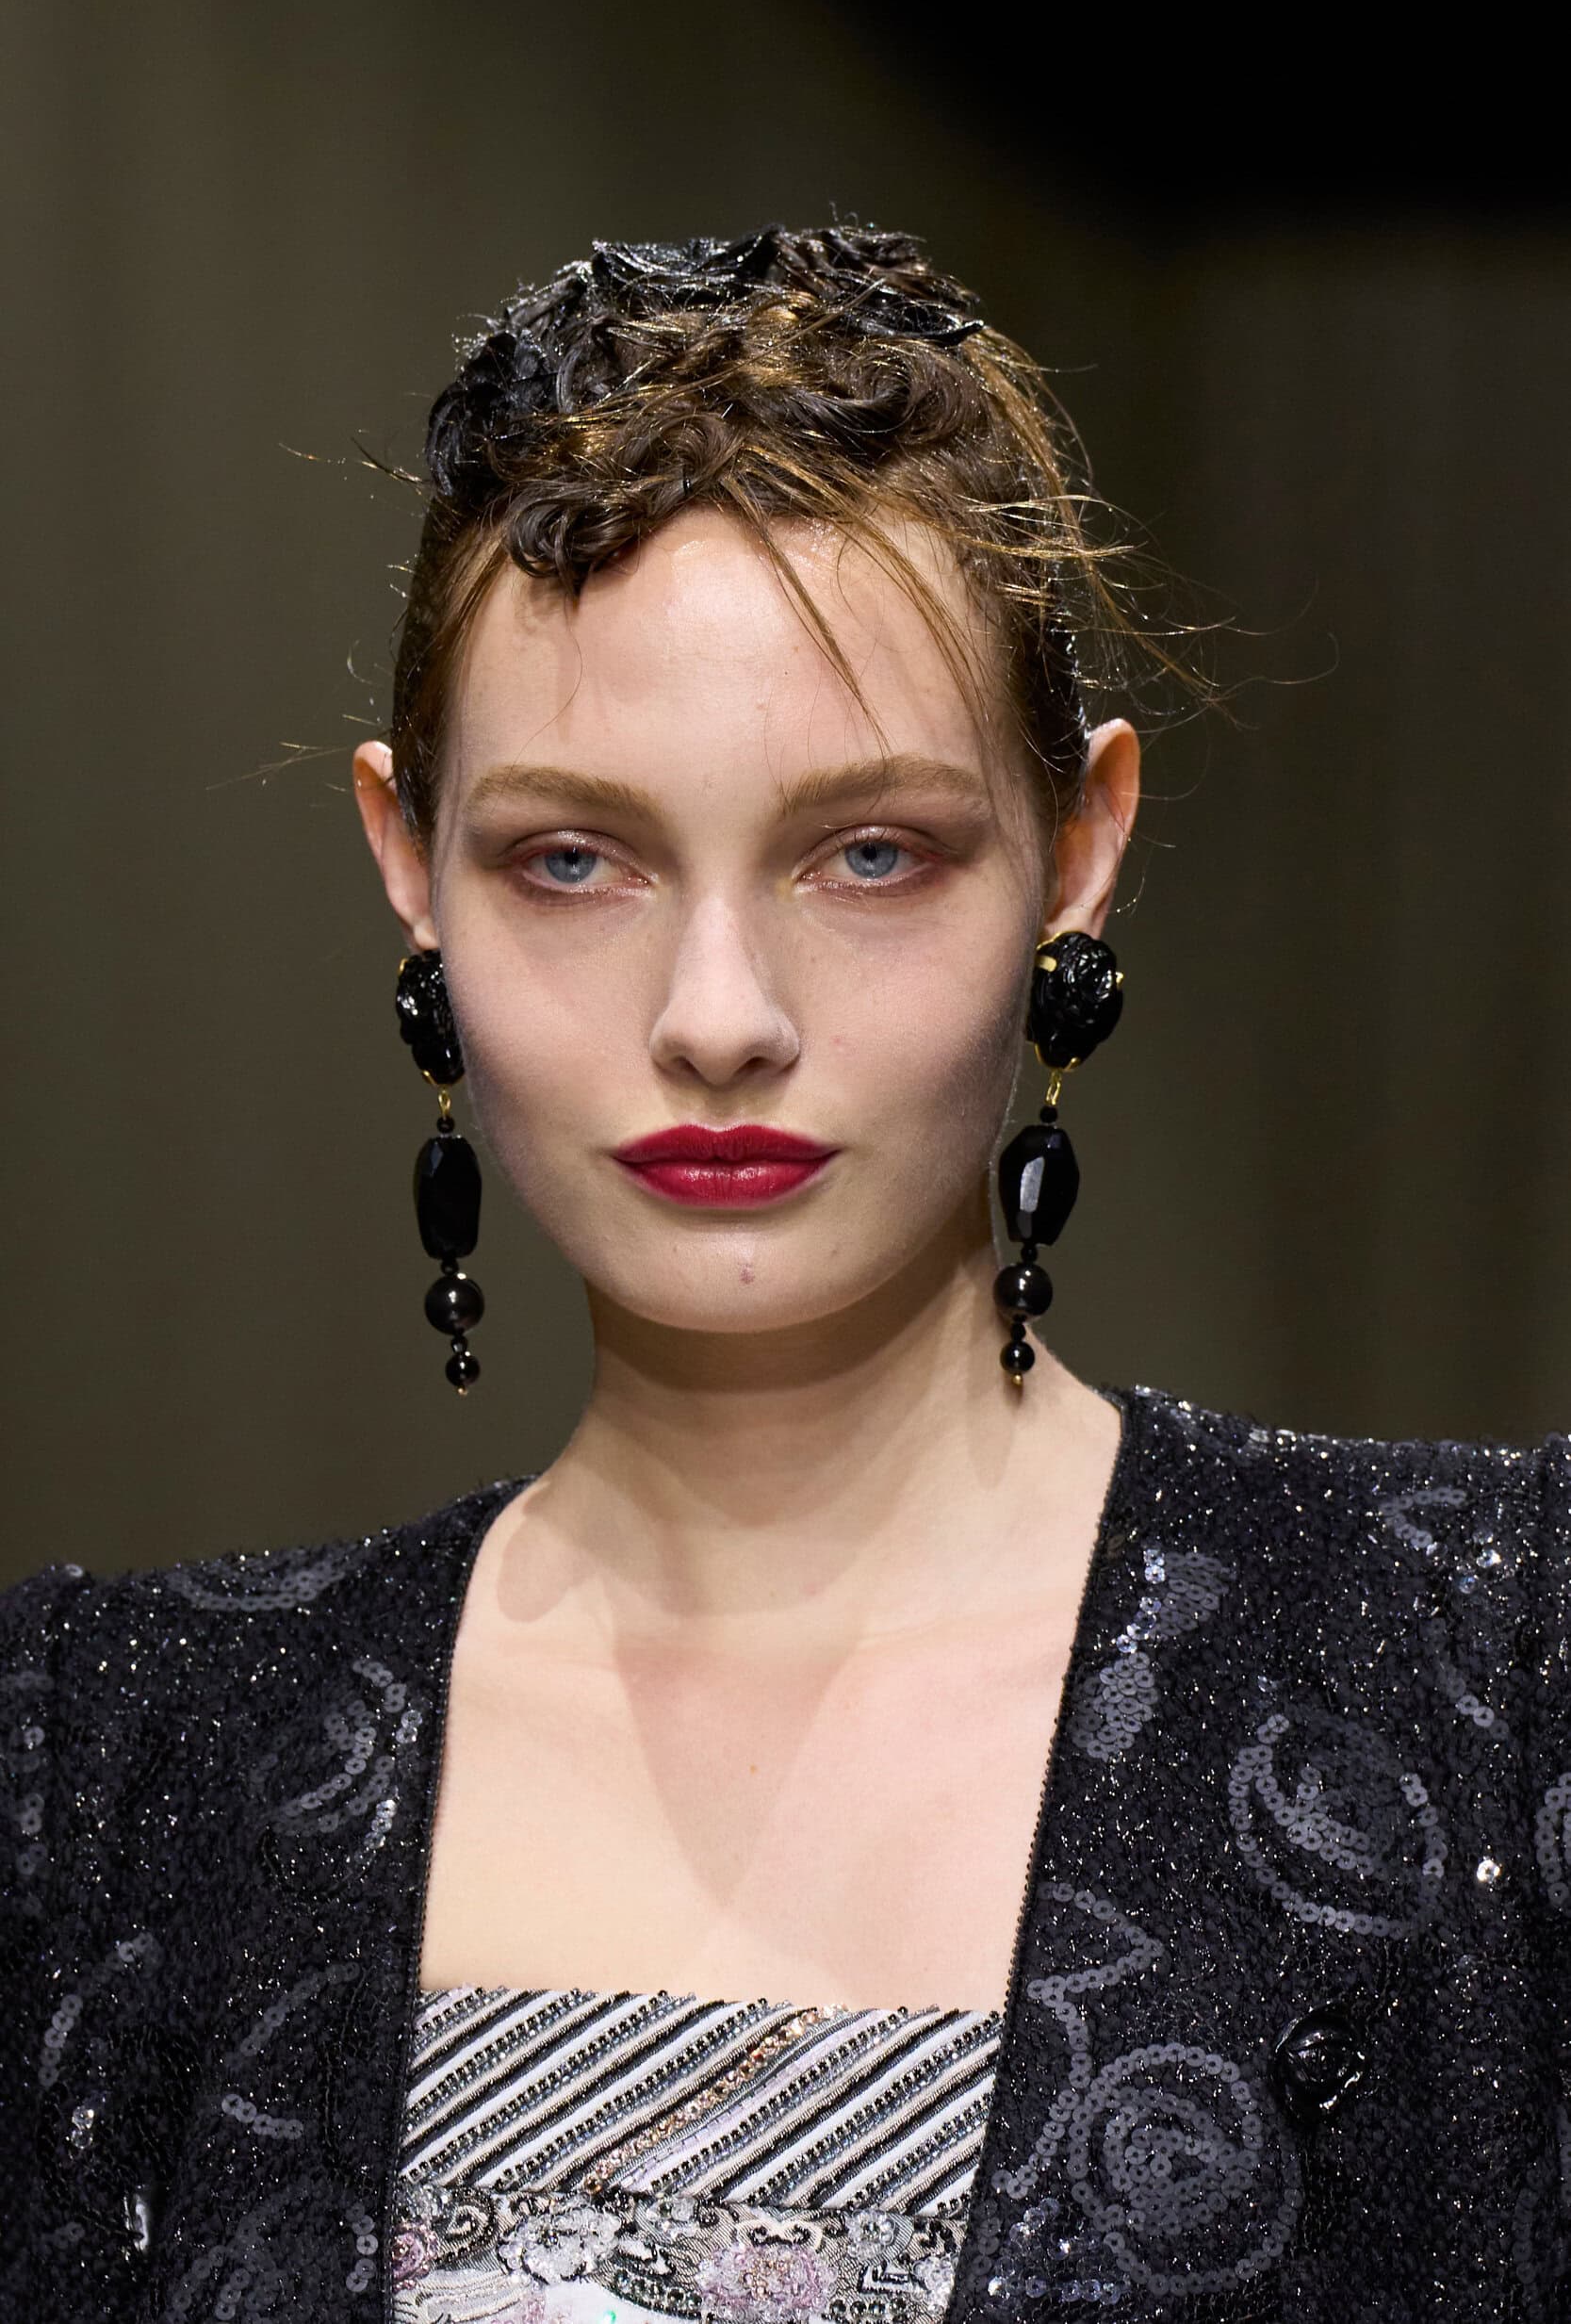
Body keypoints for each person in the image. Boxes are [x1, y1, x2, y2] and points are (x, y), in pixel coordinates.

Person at [1, 225, 1565, 2324]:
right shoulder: (104, 1776)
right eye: (572, 859)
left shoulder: (1487, 1681)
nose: (719, 1015)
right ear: (410, 863)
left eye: (871, 853)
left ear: (1079, 847)